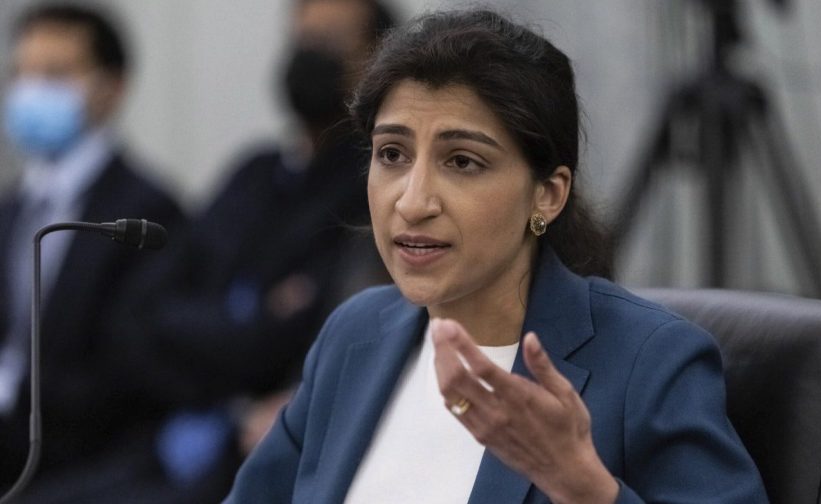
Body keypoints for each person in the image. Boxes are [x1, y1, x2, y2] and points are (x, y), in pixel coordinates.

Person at [225, 8, 768, 504]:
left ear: (547, 195)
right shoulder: (353, 335)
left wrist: (588, 491)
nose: (412, 202)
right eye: (392, 154)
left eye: (462, 162)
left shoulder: (651, 362)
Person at [97, 0, 395, 501]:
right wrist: (255, 322)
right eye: (303, 40)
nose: (310, 55)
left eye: (330, 42)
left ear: (376, 60)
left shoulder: (374, 189)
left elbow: (316, 333)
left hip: (262, 448)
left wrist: (220, 336)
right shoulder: (252, 175)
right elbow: (139, 317)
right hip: (165, 434)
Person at [0, 2, 184, 500]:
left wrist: (14, 394)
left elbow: (127, 368)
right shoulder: (12, 206)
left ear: (112, 87)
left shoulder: (148, 211)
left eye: (55, 75)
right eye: (23, 73)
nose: (31, 90)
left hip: (91, 466)